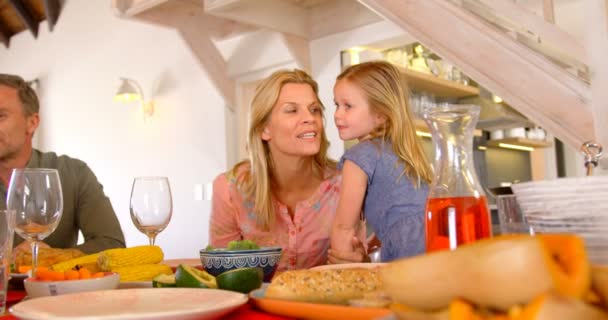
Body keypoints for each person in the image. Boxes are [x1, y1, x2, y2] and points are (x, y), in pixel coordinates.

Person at [209, 69, 366, 271]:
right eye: (292, 110)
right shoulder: (230, 189)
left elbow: (357, 268)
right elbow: (223, 274)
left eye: (315, 109)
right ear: (264, 129)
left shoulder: (346, 183)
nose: (310, 118)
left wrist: (361, 260)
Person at [0, 74, 126, 256]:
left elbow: (112, 245)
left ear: (32, 123)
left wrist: (56, 257)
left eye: (1, 115)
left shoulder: (72, 173)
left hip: (52, 284)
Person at [330, 61, 432, 262]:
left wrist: (342, 270)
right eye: (337, 105)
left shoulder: (359, 157)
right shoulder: (405, 152)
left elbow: (344, 227)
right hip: (438, 244)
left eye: (347, 106)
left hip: (406, 259)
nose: (337, 114)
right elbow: (400, 212)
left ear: (380, 115)